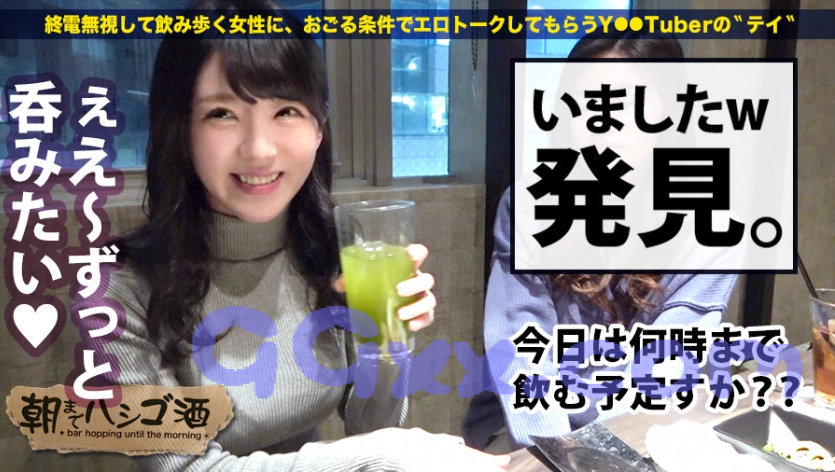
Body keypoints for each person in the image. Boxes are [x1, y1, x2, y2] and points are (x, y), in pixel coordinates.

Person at [69, 0, 509, 469]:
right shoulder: (114, 289)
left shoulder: (331, 246)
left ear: (319, 128)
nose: (259, 150)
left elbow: (371, 423)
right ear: (179, 131)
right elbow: (189, 467)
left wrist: (387, 340)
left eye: (286, 111)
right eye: (221, 113)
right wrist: (388, 455)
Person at [463, 32, 739, 451]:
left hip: (644, 427)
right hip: (528, 427)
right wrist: (562, 451)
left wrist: (603, 452)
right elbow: (519, 338)